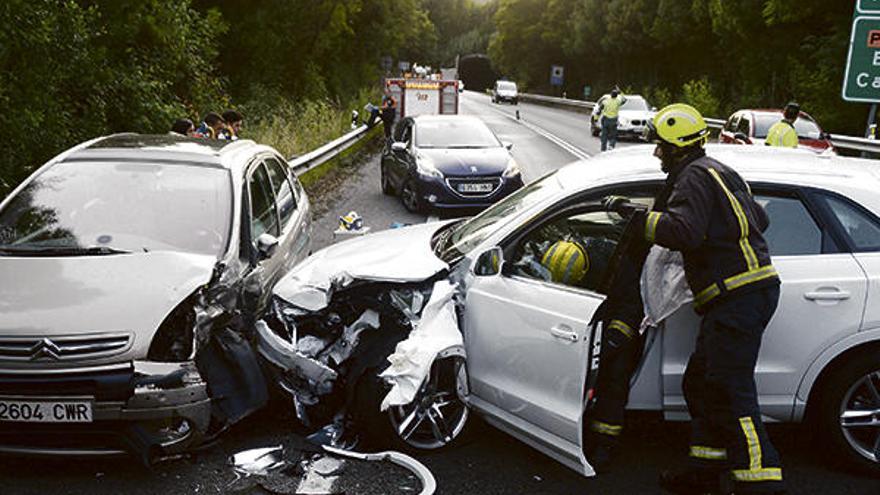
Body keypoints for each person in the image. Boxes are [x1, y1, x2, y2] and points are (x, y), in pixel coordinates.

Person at [608, 103, 785, 494]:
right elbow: (762, 219)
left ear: (677, 148)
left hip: (737, 296)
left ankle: (762, 479)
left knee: (729, 388)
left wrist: (636, 220)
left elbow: (684, 232)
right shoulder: (721, 171)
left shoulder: (691, 178)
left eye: (661, 147)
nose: (657, 153)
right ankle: (704, 468)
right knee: (701, 382)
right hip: (748, 292)